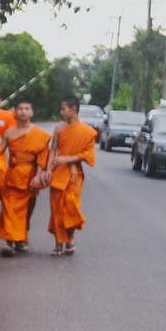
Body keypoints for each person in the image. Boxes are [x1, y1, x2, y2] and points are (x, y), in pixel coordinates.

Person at [0, 101, 51, 257]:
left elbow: (42, 157)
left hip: (30, 176)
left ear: (31, 112)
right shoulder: (9, 133)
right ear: (15, 112)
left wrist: (38, 176)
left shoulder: (39, 134)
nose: (23, 111)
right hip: (12, 175)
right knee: (10, 209)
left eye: (27, 109)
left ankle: (20, 239)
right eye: (20, 108)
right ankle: (9, 242)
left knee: (26, 211)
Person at [45, 96, 97, 256]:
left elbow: (88, 155)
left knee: (71, 206)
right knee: (57, 208)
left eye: (63, 109)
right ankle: (58, 242)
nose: (61, 112)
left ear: (73, 109)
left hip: (74, 174)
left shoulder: (87, 131)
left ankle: (70, 238)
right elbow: (53, 150)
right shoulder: (59, 128)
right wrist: (48, 169)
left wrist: (67, 158)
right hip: (59, 172)